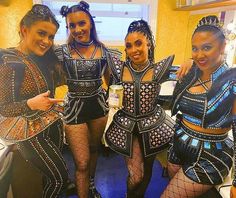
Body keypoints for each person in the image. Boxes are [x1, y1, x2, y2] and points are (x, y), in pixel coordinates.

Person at [104, 19, 188, 198]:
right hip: (126, 127)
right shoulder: (119, 68)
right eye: (129, 45)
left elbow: (187, 73)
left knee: (148, 169)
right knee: (136, 175)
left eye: (138, 43)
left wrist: (190, 61)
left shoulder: (160, 69)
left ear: (148, 43)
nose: (134, 50)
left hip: (153, 126)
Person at [161, 15, 236, 198]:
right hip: (178, 147)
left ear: (223, 46)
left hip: (210, 157)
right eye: (195, 48)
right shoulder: (190, 73)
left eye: (207, 47)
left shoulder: (231, 81)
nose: (199, 54)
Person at [0, 4, 70, 198]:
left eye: (51, 36)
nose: (46, 41)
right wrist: (31, 104)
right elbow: (4, 108)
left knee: (49, 179)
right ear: (24, 29)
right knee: (60, 179)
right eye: (41, 33)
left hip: (51, 126)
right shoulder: (9, 61)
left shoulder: (44, 58)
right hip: (30, 134)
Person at [54, 1, 122, 197]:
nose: (77, 29)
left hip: (99, 107)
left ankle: (91, 185)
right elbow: (49, 77)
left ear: (90, 23)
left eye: (81, 23)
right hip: (73, 108)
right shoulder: (61, 53)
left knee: (94, 150)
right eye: (72, 26)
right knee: (82, 162)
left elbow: (112, 84)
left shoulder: (105, 52)